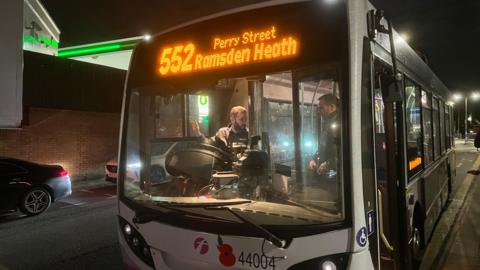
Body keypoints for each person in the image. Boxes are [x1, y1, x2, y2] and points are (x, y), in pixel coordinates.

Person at [308, 93, 339, 175]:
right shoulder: (327, 124)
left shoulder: (342, 126)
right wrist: (313, 159)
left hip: (336, 176)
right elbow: (322, 147)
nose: (318, 111)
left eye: (321, 108)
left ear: (332, 107)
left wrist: (329, 164)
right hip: (326, 173)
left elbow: (346, 154)